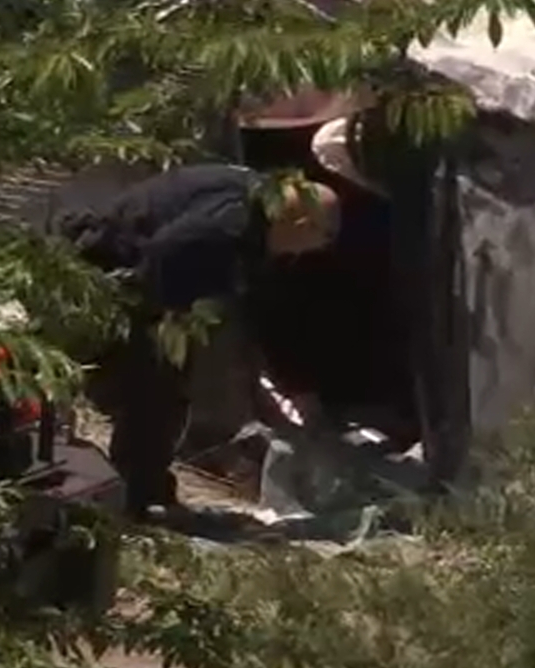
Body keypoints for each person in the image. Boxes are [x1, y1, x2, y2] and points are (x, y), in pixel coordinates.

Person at [52, 163, 341, 519]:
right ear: (301, 224)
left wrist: (292, 384)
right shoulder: (230, 222)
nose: (298, 255)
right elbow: (161, 256)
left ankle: (139, 493)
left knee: (162, 389)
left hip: (134, 274)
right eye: (316, 242)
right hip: (106, 276)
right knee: (153, 390)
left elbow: (262, 311)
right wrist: (161, 325)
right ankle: (135, 501)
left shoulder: (256, 200)